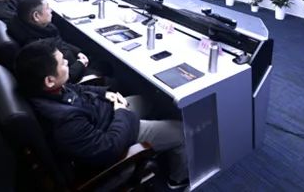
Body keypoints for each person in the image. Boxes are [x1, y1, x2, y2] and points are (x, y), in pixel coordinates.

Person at [14, 39, 188, 189]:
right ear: (49, 80)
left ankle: (160, 139)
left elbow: (76, 89)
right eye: (62, 63)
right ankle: (178, 179)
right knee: (182, 133)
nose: (67, 61)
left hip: (106, 114)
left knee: (150, 100)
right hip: (117, 133)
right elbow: (109, 146)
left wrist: (105, 93)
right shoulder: (65, 123)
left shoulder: (46, 90)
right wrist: (121, 111)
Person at [7, 0, 89, 84]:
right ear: (36, 16)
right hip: (74, 76)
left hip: (73, 62)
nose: (51, 10)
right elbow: (60, 78)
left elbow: (59, 41)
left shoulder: (37, 29)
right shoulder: (37, 48)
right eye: (47, 8)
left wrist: (77, 52)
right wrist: (80, 64)